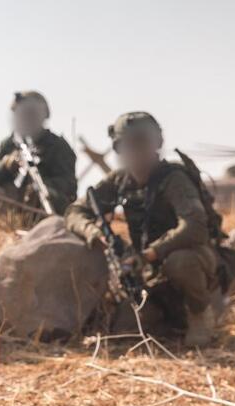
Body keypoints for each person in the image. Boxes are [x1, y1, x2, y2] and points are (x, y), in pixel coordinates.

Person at [65, 112, 221, 347]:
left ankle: (200, 314)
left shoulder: (174, 179)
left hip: (189, 261)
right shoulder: (120, 181)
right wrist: (94, 234)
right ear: (119, 149)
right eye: (129, 145)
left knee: (180, 262)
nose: (136, 151)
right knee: (124, 331)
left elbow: (195, 227)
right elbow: (74, 212)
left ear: (156, 144)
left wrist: (150, 254)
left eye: (142, 143)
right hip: (148, 271)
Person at [0, 91, 78, 216]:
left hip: (43, 207)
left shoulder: (57, 146)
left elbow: (69, 186)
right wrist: (6, 165)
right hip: (9, 208)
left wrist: (41, 184)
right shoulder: (9, 144)